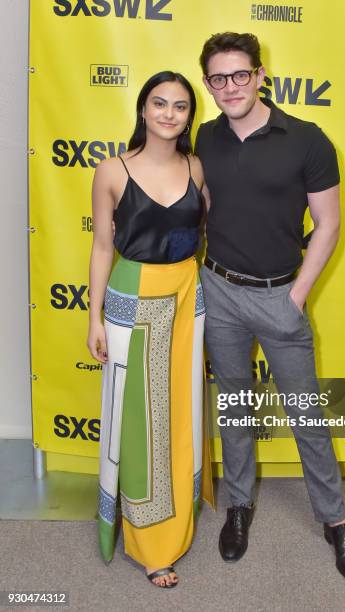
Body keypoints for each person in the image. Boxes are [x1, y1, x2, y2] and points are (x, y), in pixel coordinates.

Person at [195, 32, 345, 585]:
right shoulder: (203, 138)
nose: (230, 87)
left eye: (240, 74)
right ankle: (239, 505)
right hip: (218, 291)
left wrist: (297, 295)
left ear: (261, 74)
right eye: (218, 78)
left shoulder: (308, 139)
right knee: (237, 408)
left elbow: (330, 224)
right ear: (208, 84)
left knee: (307, 417)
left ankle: (335, 520)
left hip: (279, 295)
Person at [87, 71, 213, 588]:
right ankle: (149, 542)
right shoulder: (111, 170)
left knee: (182, 412)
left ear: (189, 116)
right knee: (139, 422)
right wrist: (92, 316)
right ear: (142, 109)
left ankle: (181, 518)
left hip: (187, 297)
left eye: (180, 106)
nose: (168, 113)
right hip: (132, 300)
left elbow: (203, 232)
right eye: (158, 103)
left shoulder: (196, 166)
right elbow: (100, 246)